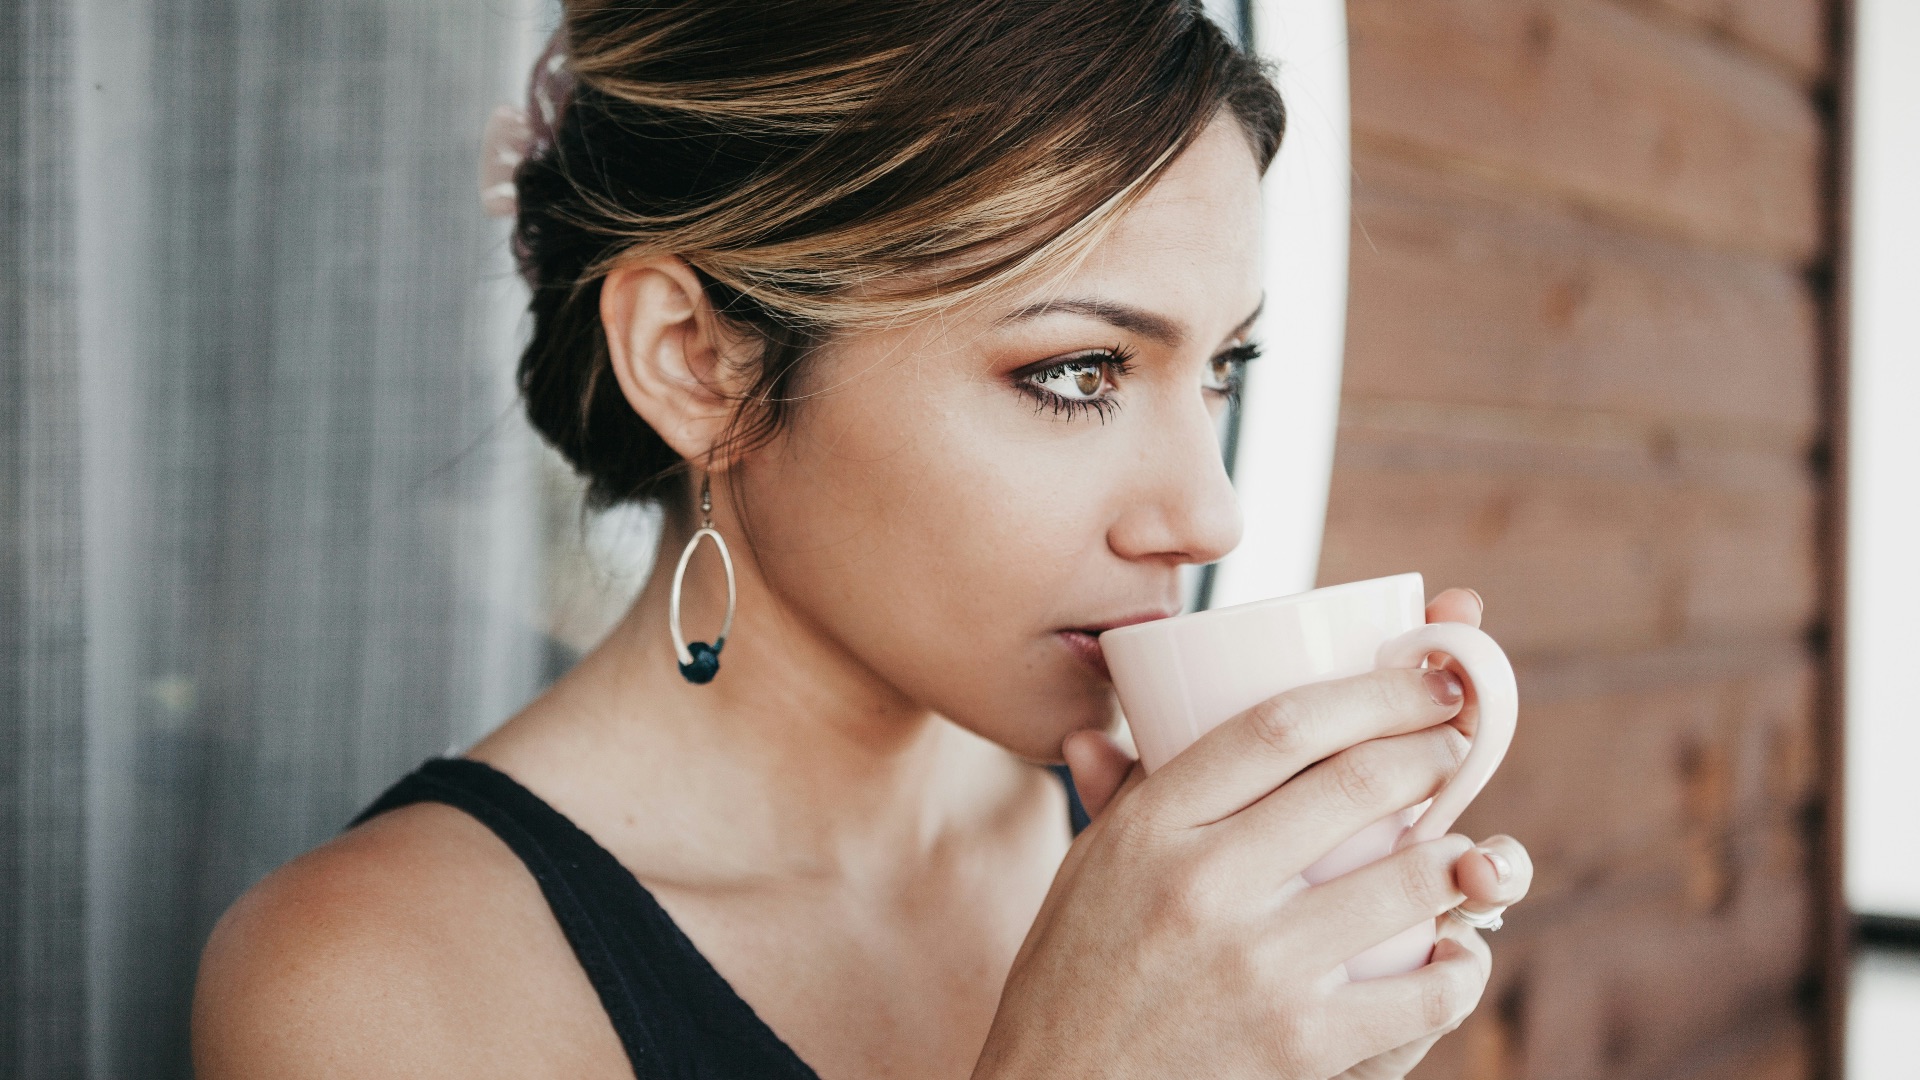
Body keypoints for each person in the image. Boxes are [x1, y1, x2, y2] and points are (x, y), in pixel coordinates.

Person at [192, 2, 1533, 1077]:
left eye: (1222, 367)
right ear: (697, 361)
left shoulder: (1182, 887)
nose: (1209, 515)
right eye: (1077, 371)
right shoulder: (378, 983)